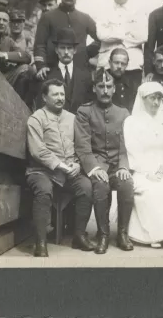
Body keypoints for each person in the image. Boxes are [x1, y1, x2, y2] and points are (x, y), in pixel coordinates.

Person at [25, 79, 109, 256]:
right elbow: (37, 150)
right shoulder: (35, 119)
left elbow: (82, 145)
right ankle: (40, 242)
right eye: (55, 94)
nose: (60, 97)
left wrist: (78, 164)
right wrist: (61, 165)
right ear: (44, 97)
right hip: (41, 171)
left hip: (70, 171)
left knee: (86, 187)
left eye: (62, 94)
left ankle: (79, 236)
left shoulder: (72, 118)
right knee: (43, 189)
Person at [74, 68, 135, 252]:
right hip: (97, 164)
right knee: (100, 185)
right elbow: (83, 146)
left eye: (109, 86)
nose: (105, 90)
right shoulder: (85, 112)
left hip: (117, 165)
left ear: (114, 89)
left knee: (127, 184)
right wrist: (94, 169)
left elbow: (127, 145)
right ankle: (104, 235)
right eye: (101, 86)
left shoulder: (123, 113)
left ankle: (122, 234)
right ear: (94, 88)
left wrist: (124, 167)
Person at [124, 82, 163, 252]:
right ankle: (154, 236)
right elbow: (131, 150)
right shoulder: (131, 122)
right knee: (149, 191)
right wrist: (147, 171)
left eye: (159, 98)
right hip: (142, 168)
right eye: (152, 98)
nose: (156, 102)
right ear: (143, 99)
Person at [34, 0, 100, 81]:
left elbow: (100, 38)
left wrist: (85, 53)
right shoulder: (48, 17)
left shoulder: (85, 18)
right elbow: (40, 45)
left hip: (79, 70)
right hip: (52, 69)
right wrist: (41, 66)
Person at [96, 0, 147, 92]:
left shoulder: (138, 11)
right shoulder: (103, 11)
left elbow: (143, 35)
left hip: (132, 65)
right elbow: (101, 34)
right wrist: (126, 32)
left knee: (132, 100)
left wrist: (113, 31)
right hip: (107, 65)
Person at [34, 27, 93, 114]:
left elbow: (89, 107)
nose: (66, 52)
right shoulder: (46, 75)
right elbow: (41, 108)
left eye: (69, 48)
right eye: (62, 48)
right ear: (56, 50)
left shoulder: (85, 75)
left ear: (75, 50)